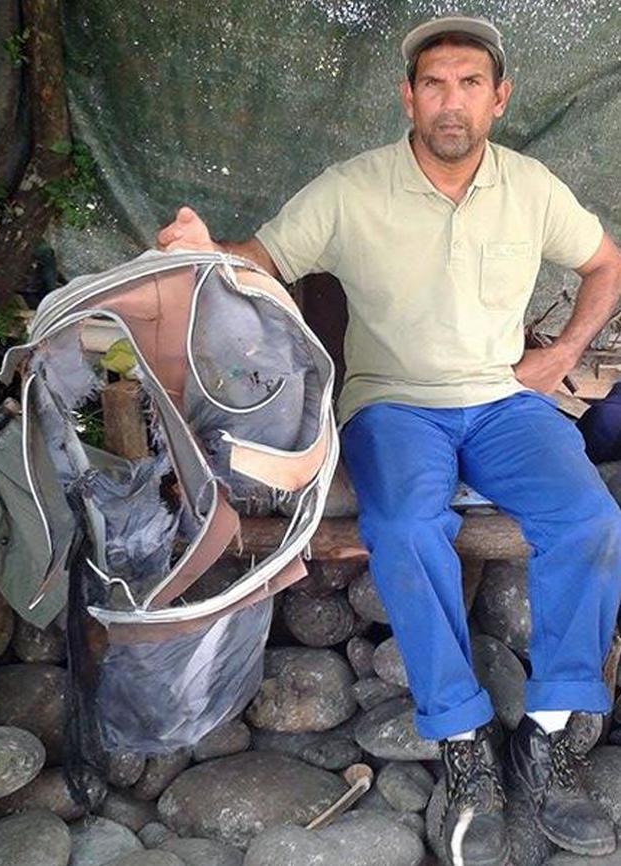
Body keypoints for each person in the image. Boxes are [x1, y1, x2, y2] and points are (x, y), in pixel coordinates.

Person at [157, 15, 621, 866]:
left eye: (470, 84)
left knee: (591, 519)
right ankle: (463, 742)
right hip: (393, 406)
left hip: (506, 404)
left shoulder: (531, 184)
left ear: (499, 98)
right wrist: (202, 250)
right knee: (406, 528)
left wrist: (557, 356)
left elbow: (606, 261)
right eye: (435, 84)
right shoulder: (352, 187)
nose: (452, 102)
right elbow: (258, 259)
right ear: (408, 95)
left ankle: (549, 736)